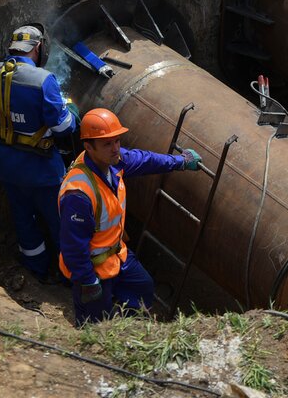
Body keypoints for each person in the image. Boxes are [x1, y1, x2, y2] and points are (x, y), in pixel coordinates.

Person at [58, 108, 203, 326]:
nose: (115, 148)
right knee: (95, 325)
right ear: (88, 147)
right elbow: (73, 246)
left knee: (142, 286)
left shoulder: (113, 161)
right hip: (92, 268)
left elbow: (145, 160)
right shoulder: (78, 194)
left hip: (117, 254)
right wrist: (87, 281)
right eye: (107, 143)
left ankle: (130, 329)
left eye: (117, 141)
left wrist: (180, 161)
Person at [0, 24, 78, 283]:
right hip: (42, 169)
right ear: (38, 47)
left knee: (23, 218)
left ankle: (36, 269)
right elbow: (63, 128)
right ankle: (69, 276)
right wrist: (70, 110)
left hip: (6, 164)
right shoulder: (43, 80)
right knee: (60, 222)